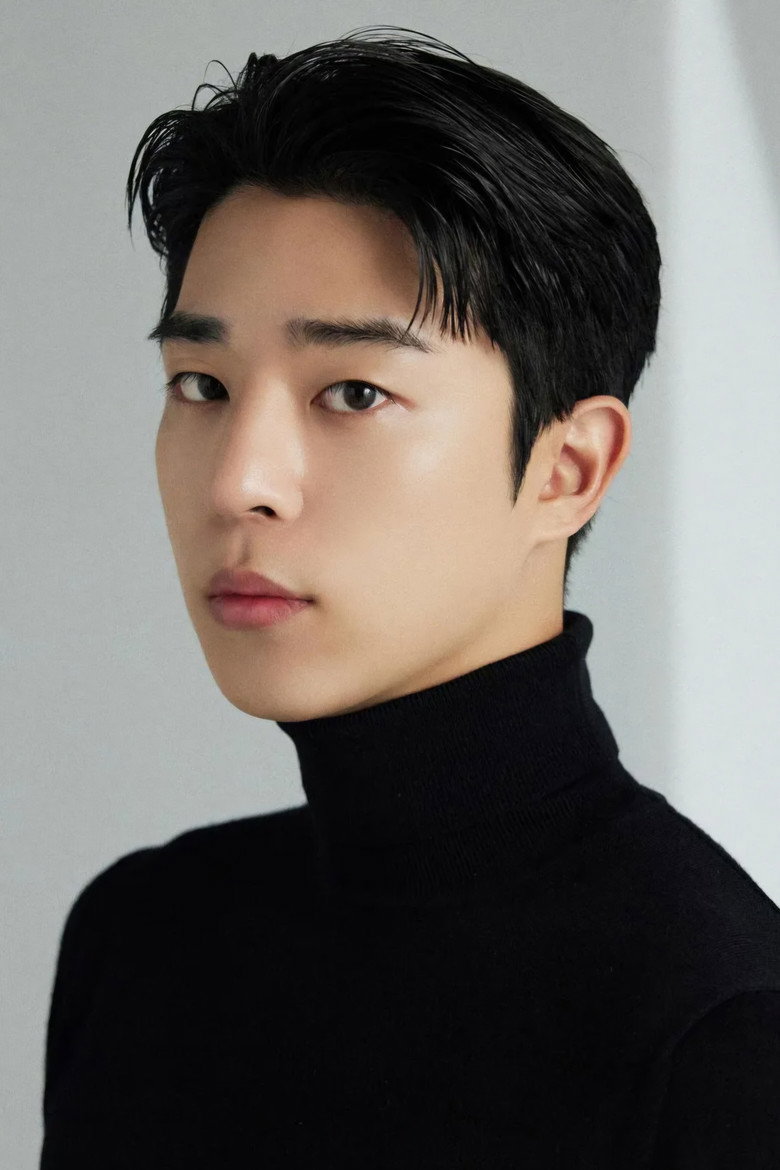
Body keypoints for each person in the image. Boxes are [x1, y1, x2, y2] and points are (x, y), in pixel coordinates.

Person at [40, 25, 780, 1169]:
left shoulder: (719, 1032)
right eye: (201, 384)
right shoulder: (143, 934)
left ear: (567, 470)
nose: (239, 480)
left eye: (352, 391)